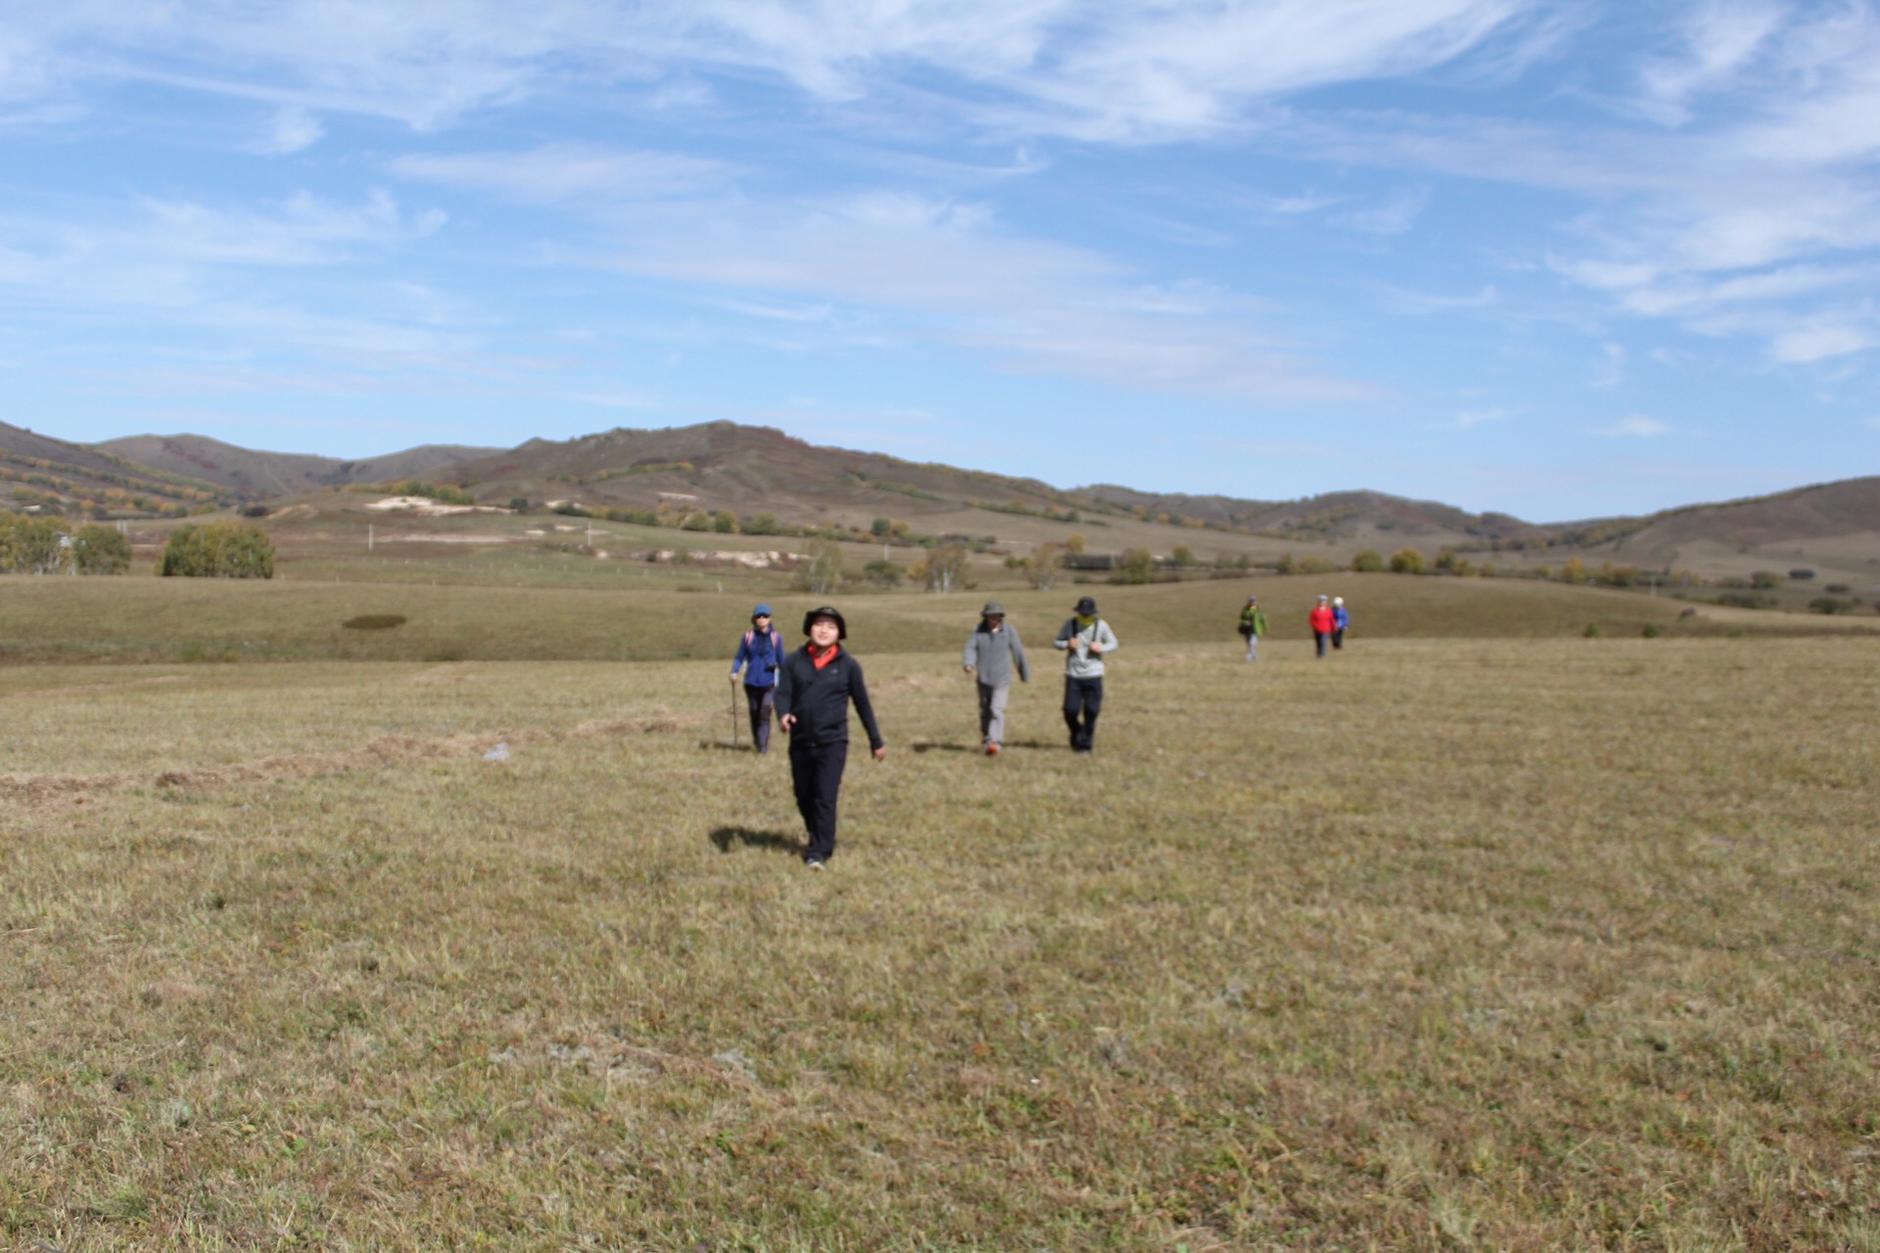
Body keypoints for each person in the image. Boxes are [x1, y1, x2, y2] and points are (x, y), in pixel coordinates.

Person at [775, 606, 886, 870]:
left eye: (831, 626)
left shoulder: (848, 666)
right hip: (800, 740)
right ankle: (819, 835)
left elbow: (862, 704)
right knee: (804, 796)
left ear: (839, 633)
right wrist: (782, 715)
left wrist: (876, 741)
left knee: (824, 796)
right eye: (819, 624)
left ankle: (819, 852)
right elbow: (782, 694)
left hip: (833, 742)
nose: (824, 630)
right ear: (809, 628)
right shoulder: (793, 661)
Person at [962, 600, 1030, 755]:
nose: (993, 620)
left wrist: (1023, 673)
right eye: (989, 617)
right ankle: (987, 738)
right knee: (985, 711)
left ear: (1000, 617)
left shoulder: (1009, 631)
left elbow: (1018, 652)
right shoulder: (977, 630)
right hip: (983, 679)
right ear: (985, 617)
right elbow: (970, 648)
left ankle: (995, 742)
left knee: (996, 710)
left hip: (1002, 679)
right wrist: (968, 663)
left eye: (996, 617)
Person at [1053, 595, 1118, 754]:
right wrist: (1067, 644)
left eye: (1088, 613)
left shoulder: (1101, 625)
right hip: (1073, 675)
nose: (1085, 615)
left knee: (1092, 711)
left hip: (1094, 675)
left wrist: (1100, 647)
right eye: (1082, 612)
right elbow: (1056, 642)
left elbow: (1114, 643)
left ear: (1093, 612)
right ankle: (1077, 731)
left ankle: (1085, 745)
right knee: (1070, 710)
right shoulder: (1070, 624)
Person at [728, 603, 784, 753]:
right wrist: (734, 672)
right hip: (751, 682)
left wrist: (786, 681)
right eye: (759, 616)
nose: (762, 619)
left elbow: (782, 660)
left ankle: (763, 747)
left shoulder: (776, 638)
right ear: (754, 619)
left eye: (765, 616)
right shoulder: (748, 637)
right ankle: (758, 741)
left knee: (764, 713)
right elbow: (739, 657)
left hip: (770, 683)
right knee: (754, 713)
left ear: (769, 618)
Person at [1237, 594, 1268, 663]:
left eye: (1253, 601)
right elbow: (1241, 620)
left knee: (1252, 644)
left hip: (1255, 630)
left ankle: (1249, 658)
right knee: (1249, 645)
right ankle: (1254, 657)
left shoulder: (1258, 610)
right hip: (1247, 631)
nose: (1252, 602)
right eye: (1251, 601)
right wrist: (1245, 622)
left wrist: (1265, 628)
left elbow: (1263, 619)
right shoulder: (1245, 610)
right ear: (1248, 601)